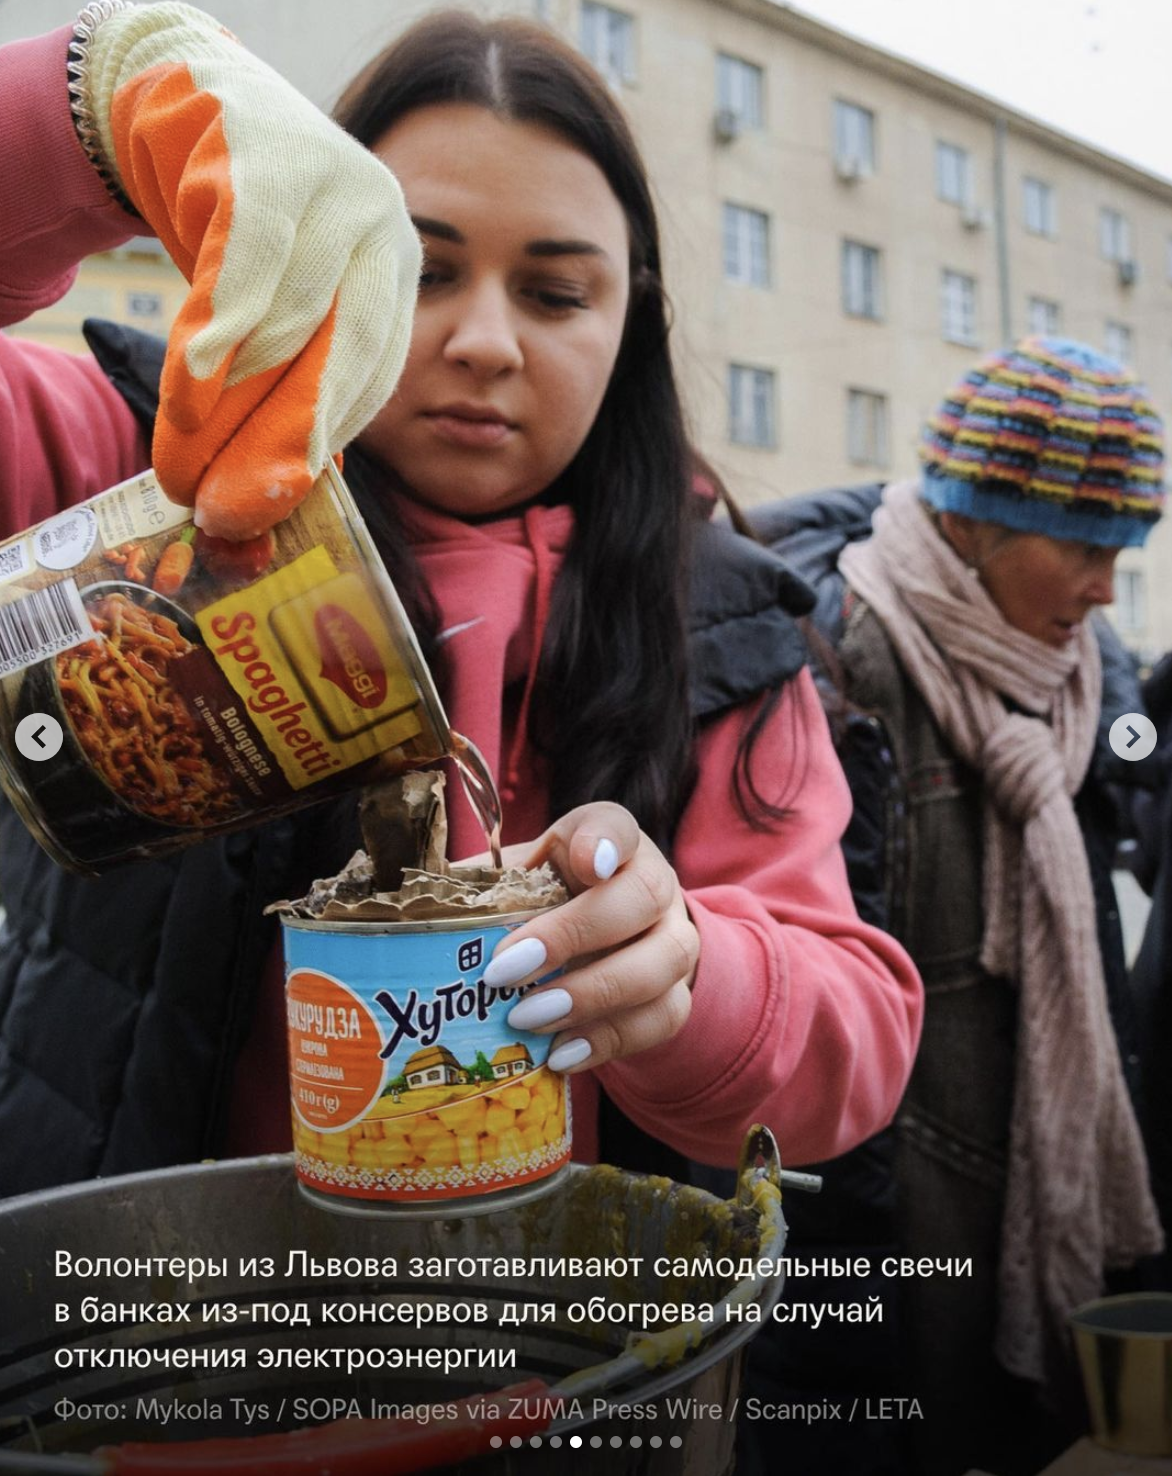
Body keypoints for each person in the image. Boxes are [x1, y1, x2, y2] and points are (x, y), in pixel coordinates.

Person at [0, 5, 922, 1203]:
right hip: (156, 1341)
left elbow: (853, 1046)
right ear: (316, 246)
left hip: (571, 1360)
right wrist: (89, 107)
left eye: (553, 294)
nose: (485, 342)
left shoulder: (721, 628)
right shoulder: (144, 478)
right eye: (424, 269)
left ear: (630, 324)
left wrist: (687, 973)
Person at [751, 337, 1167, 1476]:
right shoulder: (834, 662)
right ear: (972, 518)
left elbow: (1124, 806)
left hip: (1033, 1168)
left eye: (1123, 555)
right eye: (1083, 546)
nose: (1101, 586)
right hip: (903, 1219)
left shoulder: (1080, 675)